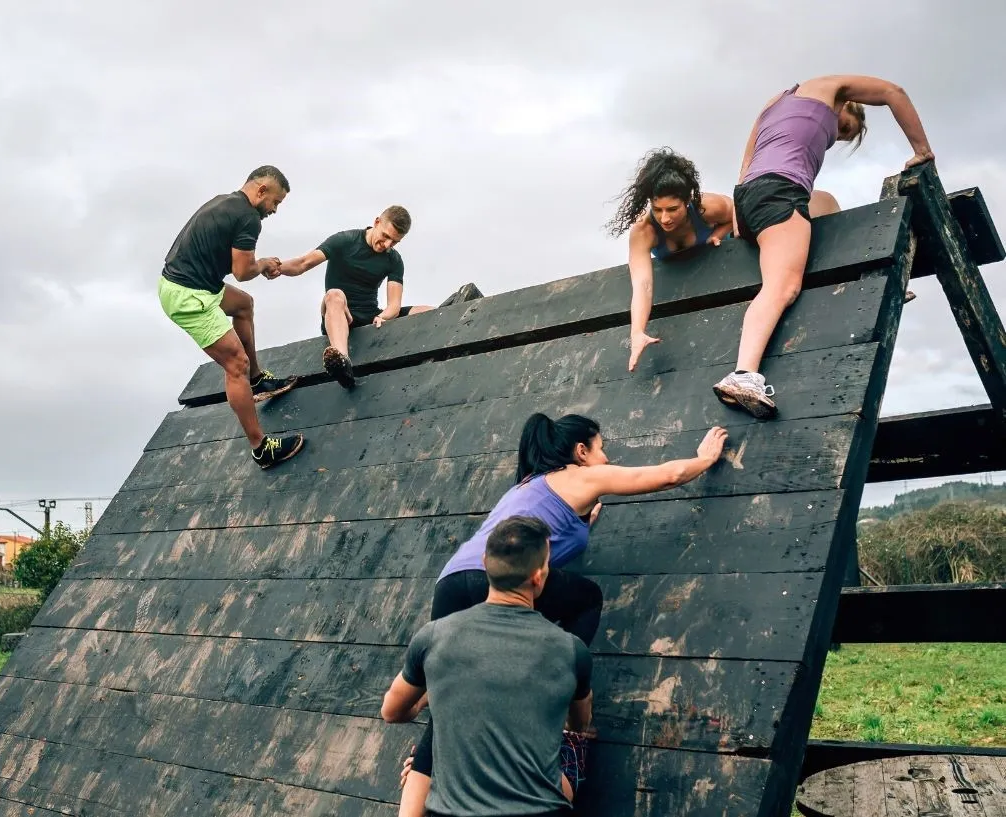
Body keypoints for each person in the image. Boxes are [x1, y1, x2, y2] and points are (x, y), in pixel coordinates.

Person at [396, 413, 730, 816]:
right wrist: (705, 459)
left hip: (453, 582)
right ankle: (553, 676)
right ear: (581, 450)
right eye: (602, 447)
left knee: (440, 724)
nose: (606, 457)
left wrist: (581, 523)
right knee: (587, 599)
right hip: (490, 580)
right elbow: (668, 475)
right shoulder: (579, 476)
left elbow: (543, 537)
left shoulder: (527, 487)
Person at [715, 75, 934, 419]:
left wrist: (741, 217)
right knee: (782, 287)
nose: (837, 135)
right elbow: (895, 91)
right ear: (849, 107)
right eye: (844, 128)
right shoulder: (833, 87)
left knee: (826, 202)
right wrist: (922, 151)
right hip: (779, 190)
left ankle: (871, 280)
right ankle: (743, 375)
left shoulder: (776, 100)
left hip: (751, 195)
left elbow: (747, 161)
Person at [382, 515, 594, 817]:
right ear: (538, 577)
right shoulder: (572, 649)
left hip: (450, 811)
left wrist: (417, 709)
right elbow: (579, 724)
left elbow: (391, 712)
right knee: (576, 743)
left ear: (484, 561)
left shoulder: (433, 636)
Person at [158, 166, 306, 469]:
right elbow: (242, 271)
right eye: (276, 203)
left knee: (243, 305)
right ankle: (261, 448)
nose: (275, 211)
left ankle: (256, 381)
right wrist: (264, 264)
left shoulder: (224, 201)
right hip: (188, 296)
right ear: (261, 190)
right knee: (235, 363)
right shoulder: (249, 218)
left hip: (193, 284)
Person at [605, 149, 736, 372]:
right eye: (657, 210)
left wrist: (720, 234)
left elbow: (738, 210)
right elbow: (642, 285)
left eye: (673, 209)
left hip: (728, 276)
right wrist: (637, 332)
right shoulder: (644, 231)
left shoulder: (707, 207)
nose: (665, 218)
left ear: (687, 202)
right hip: (689, 297)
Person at [275, 206, 432, 388]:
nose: (388, 245)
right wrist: (274, 267)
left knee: (428, 311)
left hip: (372, 316)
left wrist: (383, 316)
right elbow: (303, 263)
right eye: (386, 236)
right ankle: (342, 361)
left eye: (394, 242)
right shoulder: (345, 240)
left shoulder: (394, 260)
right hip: (341, 315)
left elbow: (394, 305)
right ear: (376, 222)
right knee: (334, 294)